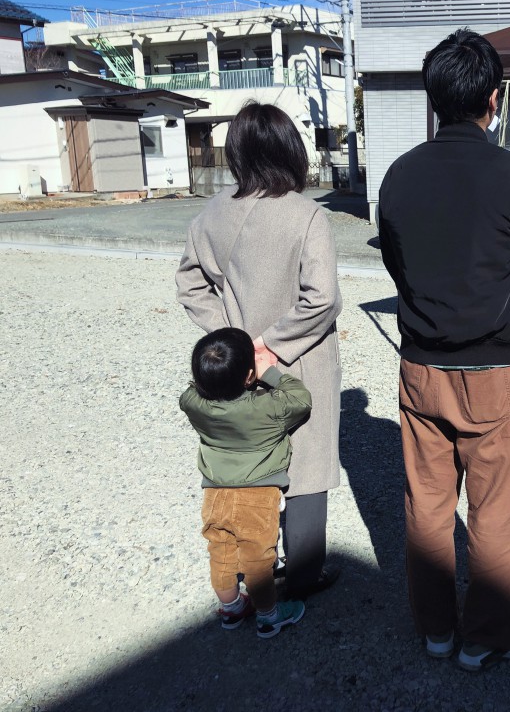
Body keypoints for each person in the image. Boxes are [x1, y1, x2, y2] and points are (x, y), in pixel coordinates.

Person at [378, 29, 510, 671]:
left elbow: (398, 266)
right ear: (494, 98)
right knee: (498, 511)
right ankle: (486, 636)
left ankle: (435, 629)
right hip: (498, 366)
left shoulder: (399, 175)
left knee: (427, 507)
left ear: (434, 101)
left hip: (421, 364)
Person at [176, 102, 343, 599]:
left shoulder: (210, 214)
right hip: (299, 360)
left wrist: (234, 341)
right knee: (307, 465)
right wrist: (270, 345)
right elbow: (323, 298)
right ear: (290, 149)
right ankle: (303, 576)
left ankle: (248, 564)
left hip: (236, 369)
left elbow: (190, 285)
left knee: (247, 459)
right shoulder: (306, 214)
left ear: (237, 153)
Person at [180, 327, 311, 638]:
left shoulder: (192, 404)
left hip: (215, 494)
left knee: (221, 554)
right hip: (257, 495)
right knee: (257, 559)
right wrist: (268, 372)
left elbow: (191, 391)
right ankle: (269, 615)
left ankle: (232, 608)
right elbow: (300, 398)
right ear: (249, 376)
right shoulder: (266, 408)